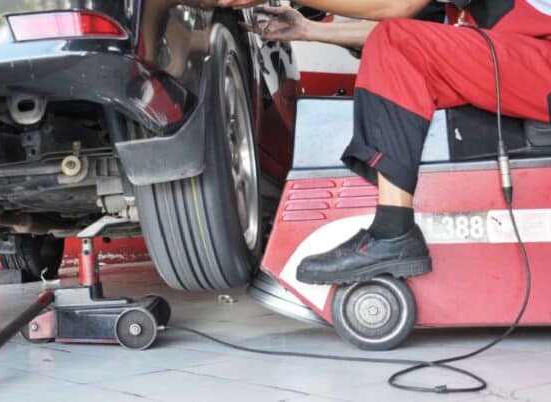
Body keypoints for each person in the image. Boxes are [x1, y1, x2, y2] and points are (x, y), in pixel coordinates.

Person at [211, 0, 551, 285]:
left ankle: (393, 232)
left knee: (396, 41)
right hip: (523, 60)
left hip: (541, 63)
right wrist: (308, 30)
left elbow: (395, 7)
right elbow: (419, 29)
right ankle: (393, 232)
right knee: (395, 46)